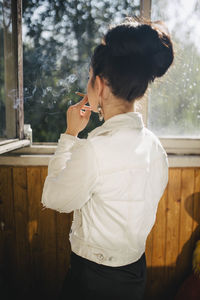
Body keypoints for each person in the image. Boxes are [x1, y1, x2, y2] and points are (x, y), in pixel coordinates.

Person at [41, 17, 174, 300]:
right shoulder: (156, 147)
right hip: (135, 273)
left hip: (93, 280)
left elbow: (53, 198)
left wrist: (69, 135)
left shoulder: (93, 150)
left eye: (89, 76)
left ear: (99, 85)